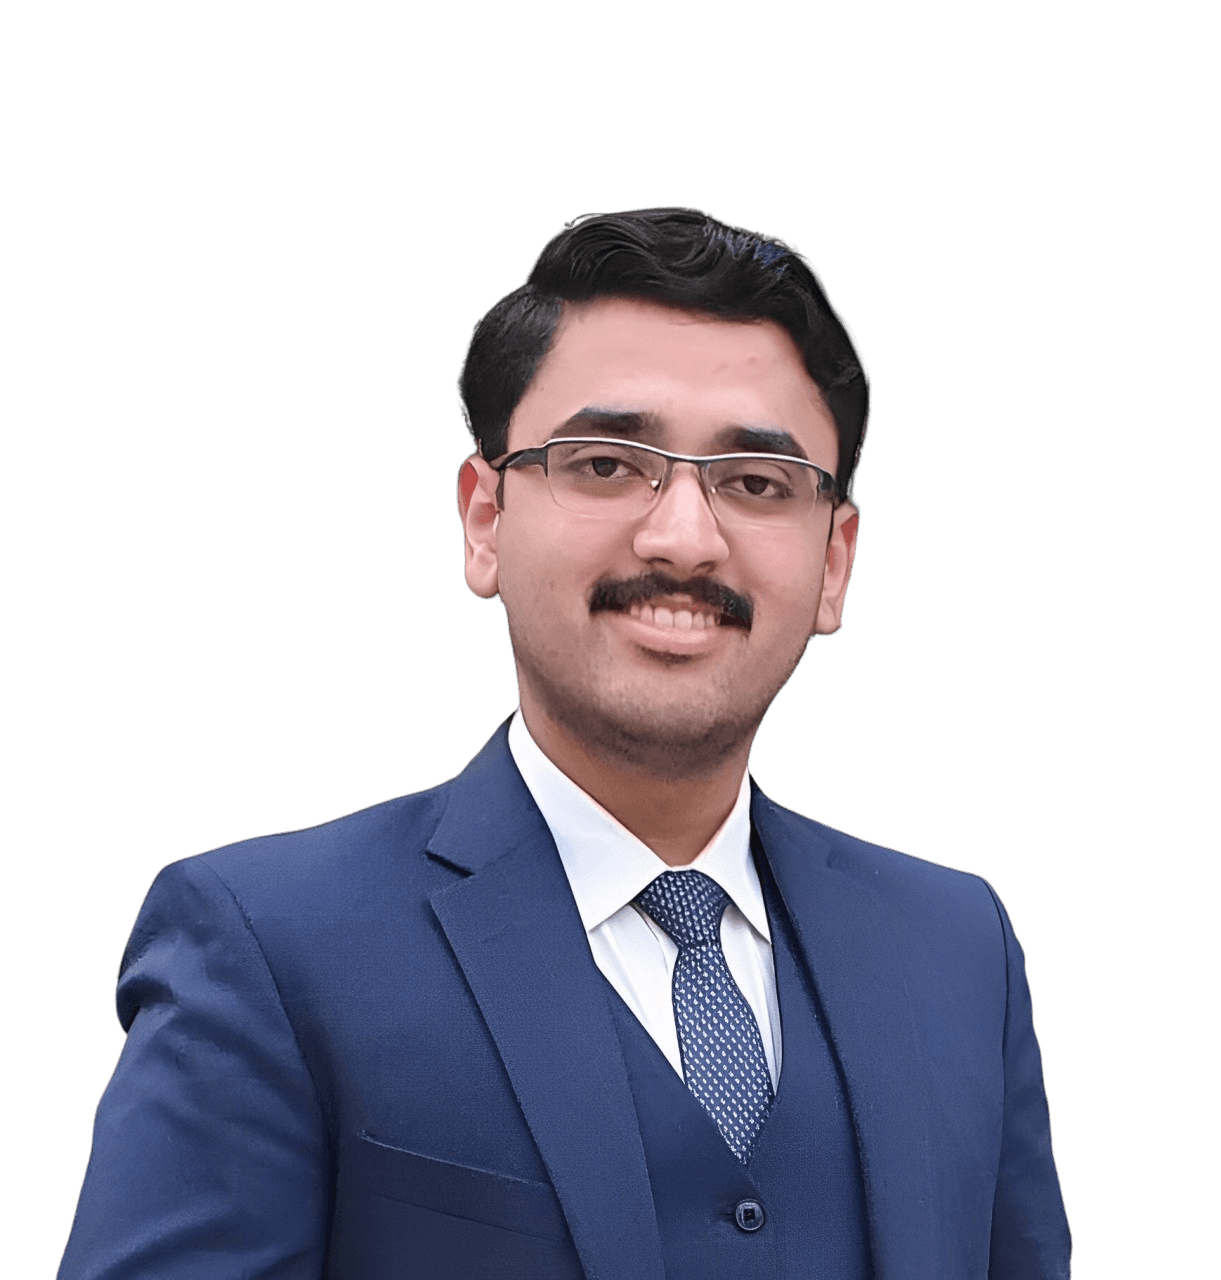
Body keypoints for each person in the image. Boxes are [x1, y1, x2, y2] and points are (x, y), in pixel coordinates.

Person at [59, 207, 1071, 1279]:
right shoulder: (267, 945)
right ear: (485, 521)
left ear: (833, 564)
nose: (683, 539)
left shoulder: (959, 950)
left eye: (756, 483)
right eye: (605, 464)